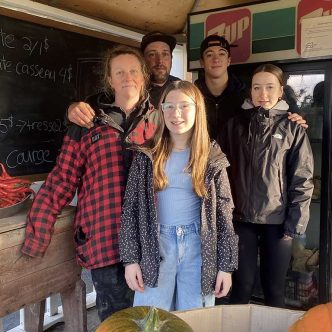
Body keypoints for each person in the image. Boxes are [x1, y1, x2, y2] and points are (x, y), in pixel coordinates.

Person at [21, 45, 158, 322]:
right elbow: (62, 179)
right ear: (109, 79)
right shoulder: (87, 122)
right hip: (103, 239)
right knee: (115, 321)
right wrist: (36, 239)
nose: (127, 77)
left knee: (151, 319)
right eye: (119, 72)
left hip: (150, 240)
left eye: (133, 71)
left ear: (143, 76)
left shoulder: (161, 120)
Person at [119, 80, 238, 311]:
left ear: (197, 109)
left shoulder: (212, 156)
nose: (176, 113)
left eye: (184, 106)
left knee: (195, 319)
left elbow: (224, 212)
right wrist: (130, 260)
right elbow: (130, 208)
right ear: (161, 110)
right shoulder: (146, 154)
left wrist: (226, 266)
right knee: (151, 320)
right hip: (155, 244)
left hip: (198, 246)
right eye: (169, 106)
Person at [219, 63, 314, 308]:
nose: (263, 94)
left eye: (270, 87)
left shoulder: (293, 128)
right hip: (240, 222)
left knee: (274, 291)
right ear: (249, 91)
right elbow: (218, 170)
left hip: (278, 223)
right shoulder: (234, 125)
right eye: (257, 87)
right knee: (242, 287)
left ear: (281, 90)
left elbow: (302, 179)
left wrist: (295, 224)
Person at [196, 34, 308, 141]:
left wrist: (296, 118)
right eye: (209, 54)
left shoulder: (248, 93)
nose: (216, 59)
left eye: (222, 54)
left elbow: (278, 113)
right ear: (202, 62)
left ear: (229, 60)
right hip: (199, 157)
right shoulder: (191, 96)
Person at [67, 31, 180, 128]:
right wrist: (72, 109)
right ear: (143, 61)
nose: (159, 61)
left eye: (165, 54)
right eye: (152, 55)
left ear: (171, 58)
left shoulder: (182, 89)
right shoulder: (128, 87)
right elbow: (88, 106)